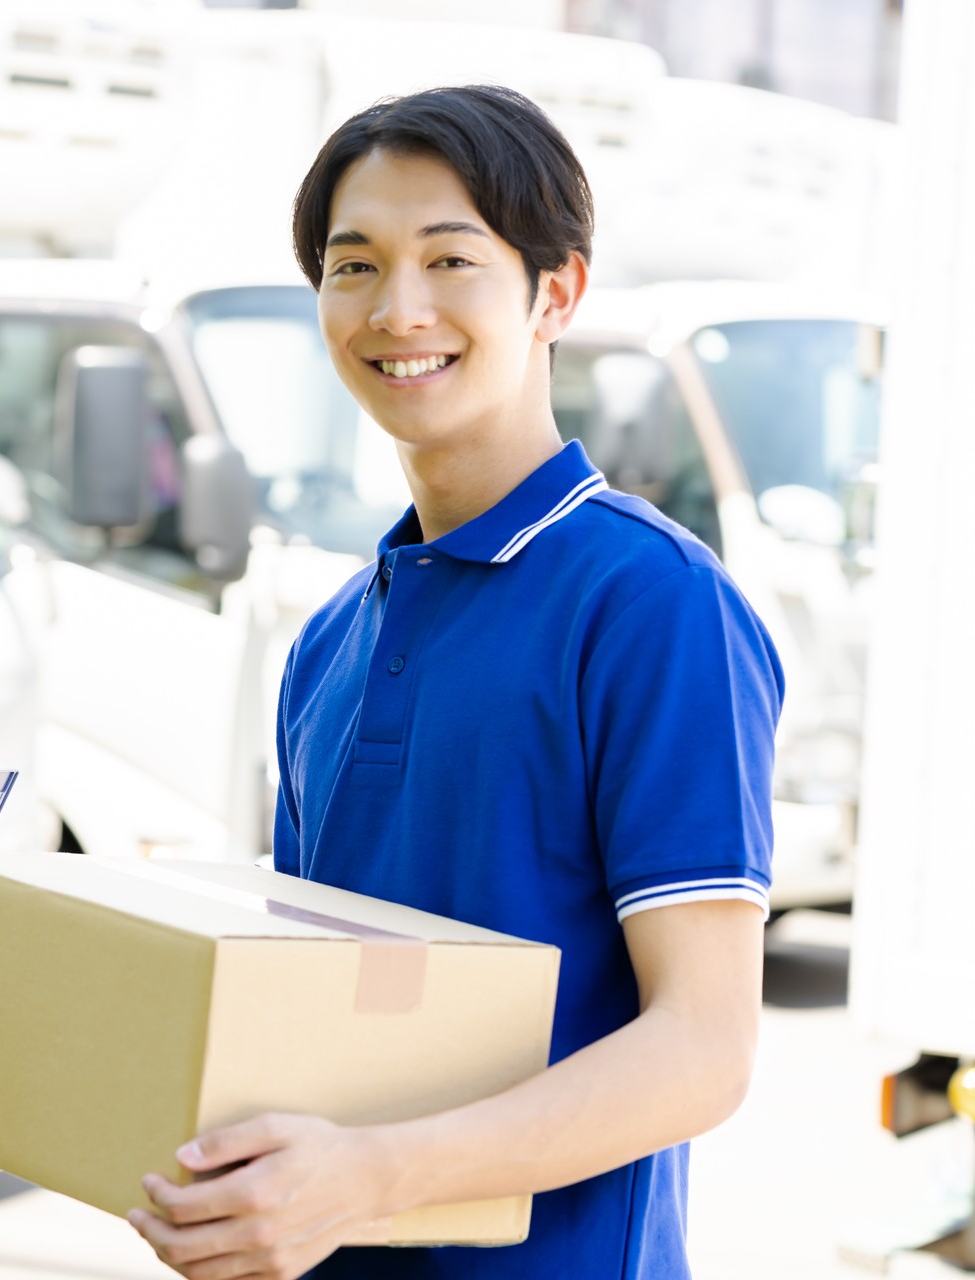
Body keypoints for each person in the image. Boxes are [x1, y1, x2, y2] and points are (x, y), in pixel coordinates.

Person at [124, 85, 782, 1279]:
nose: (398, 308)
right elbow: (305, 1008)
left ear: (557, 293)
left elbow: (703, 1044)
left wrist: (374, 1174)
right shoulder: (329, 639)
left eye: (450, 259)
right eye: (355, 264)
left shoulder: (653, 605)